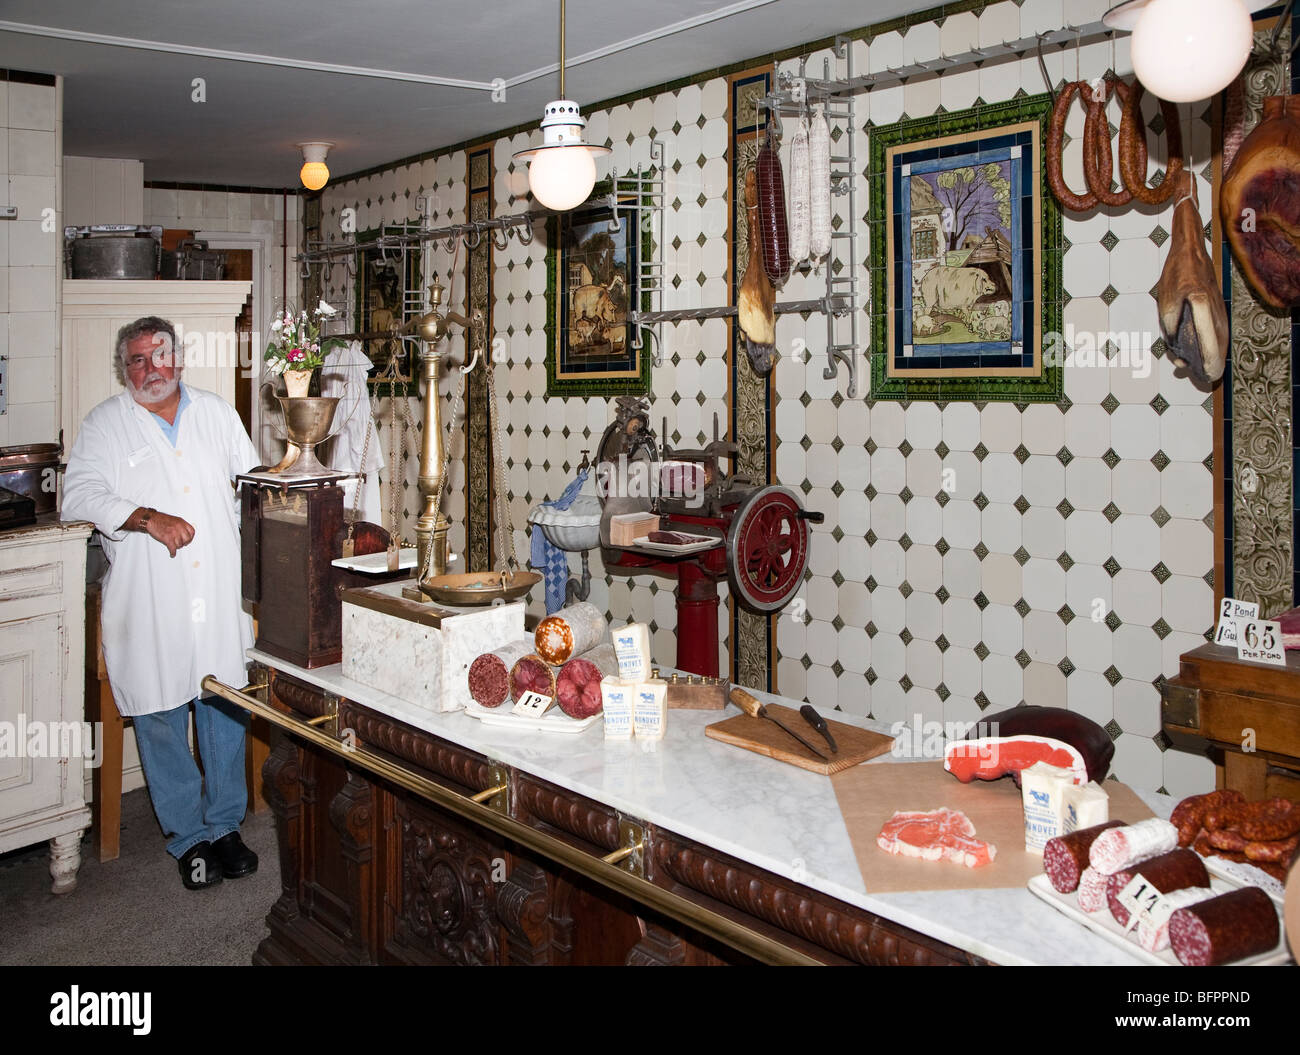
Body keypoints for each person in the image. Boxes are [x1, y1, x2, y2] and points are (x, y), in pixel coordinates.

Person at [63, 316, 260, 890]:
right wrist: (147, 517)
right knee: (161, 714)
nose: (152, 369)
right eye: (138, 361)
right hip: (149, 600)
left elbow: (251, 485)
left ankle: (225, 826)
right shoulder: (105, 424)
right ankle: (189, 838)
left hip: (218, 592)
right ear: (123, 369)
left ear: (180, 358)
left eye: (161, 355)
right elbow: (79, 496)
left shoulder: (217, 413)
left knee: (224, 708)